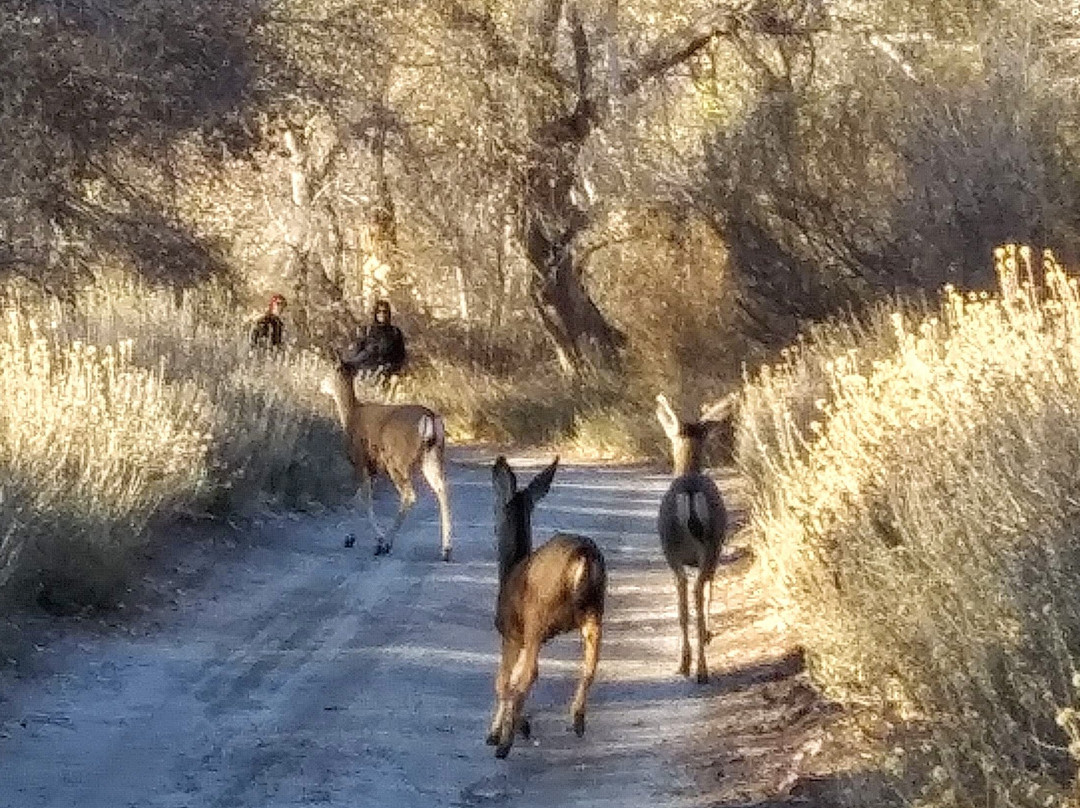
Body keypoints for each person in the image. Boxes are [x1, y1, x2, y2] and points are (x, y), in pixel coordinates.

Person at [346, 299, 407, 382]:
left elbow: (400, 356)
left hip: (386, 375)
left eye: (384, 311)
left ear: (388, 314)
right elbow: (360, 353)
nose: (382, 314)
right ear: (375, 313)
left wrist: (392, 369)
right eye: (379, 311)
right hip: (366, 374)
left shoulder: (395, 332)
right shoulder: (367, 330)